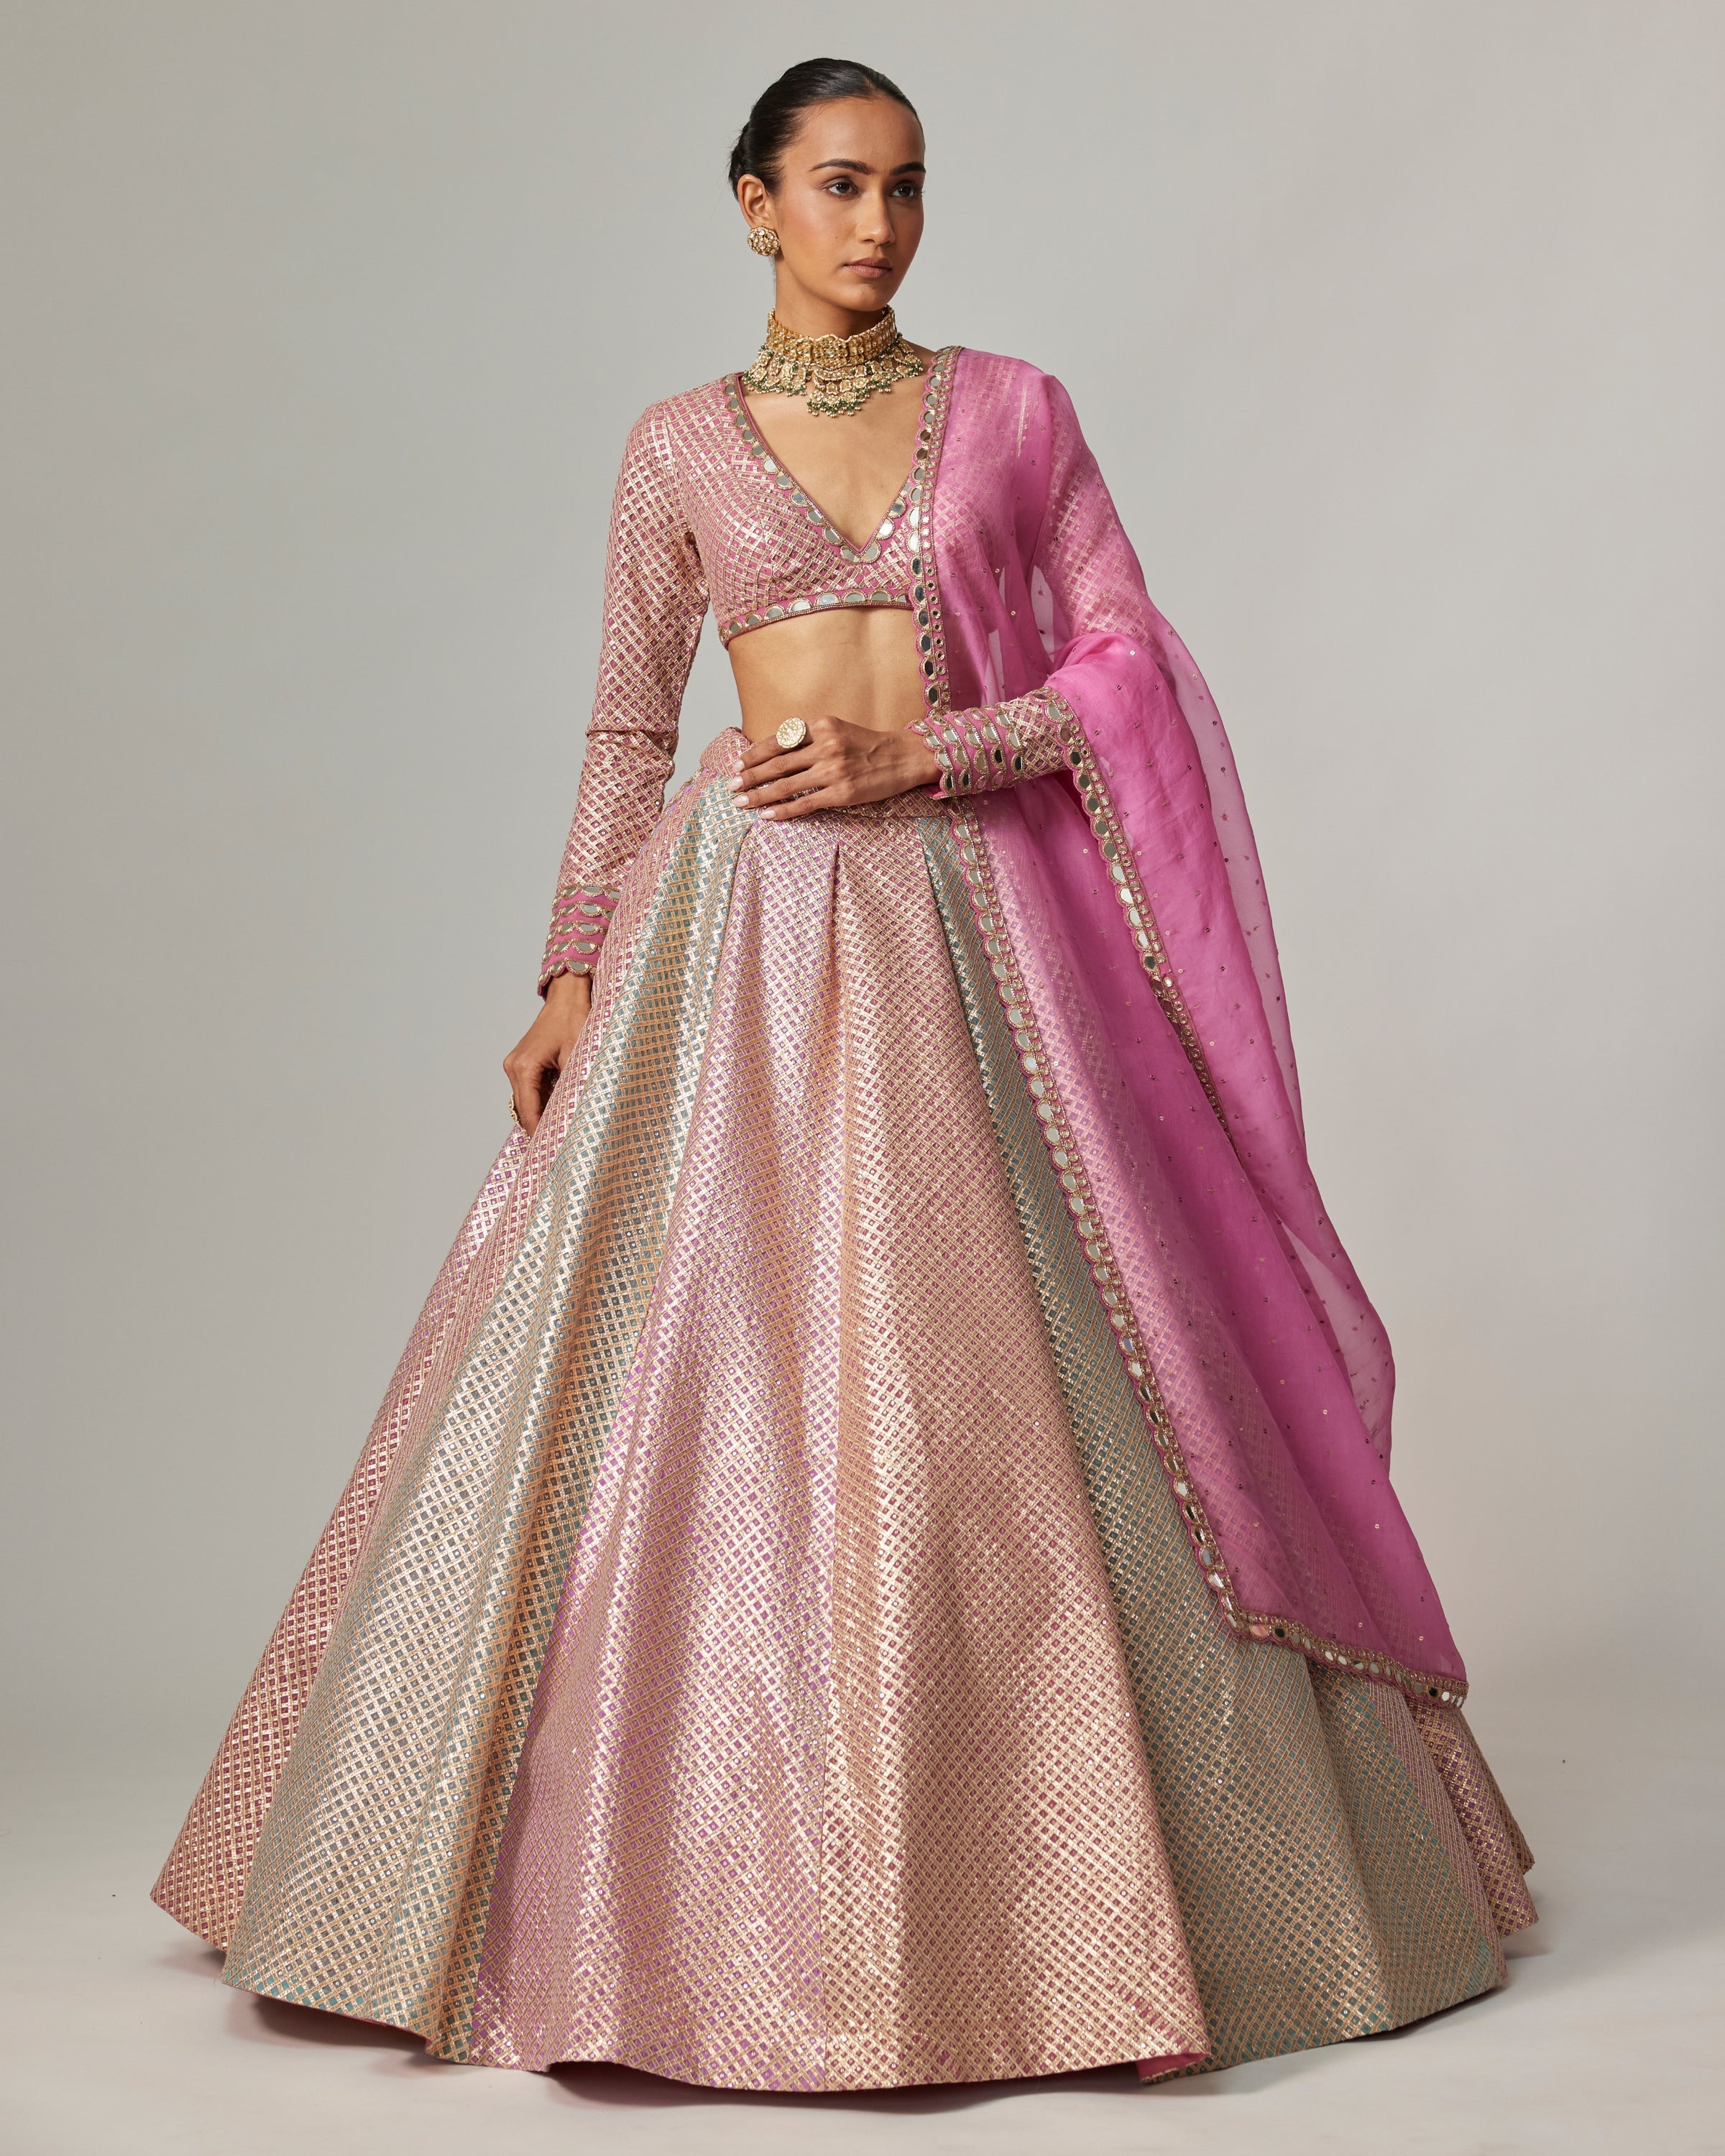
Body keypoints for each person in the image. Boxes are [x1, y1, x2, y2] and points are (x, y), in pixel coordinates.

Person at [153, 57, 1535, 2092]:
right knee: (695, 1376)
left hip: (977, 935)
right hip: (734, 933)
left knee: (1023, 1378)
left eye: (905, 187)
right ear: (753, 204)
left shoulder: (1019, 411)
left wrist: (929, 755)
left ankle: (1102, 1898)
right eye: (835, 186)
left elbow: (1124, 661)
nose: (877, 224)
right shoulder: (675, 445)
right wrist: (567, 970)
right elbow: (625, 728)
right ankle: (655, 1909)